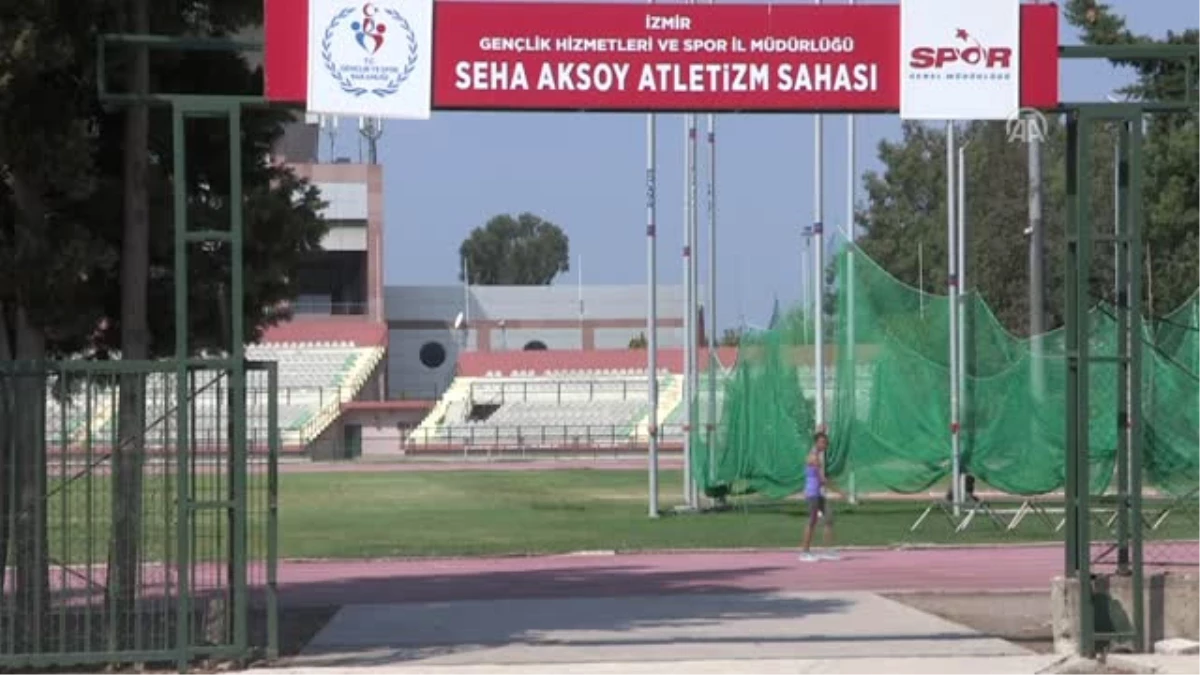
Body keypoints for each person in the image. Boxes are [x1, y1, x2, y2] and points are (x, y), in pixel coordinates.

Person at [799, 430, 838, 562]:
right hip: (812, 494)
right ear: (816, 443)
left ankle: (827, 550)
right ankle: (804, 552)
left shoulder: (817, 456)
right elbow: (822, 479)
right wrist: (841, 492)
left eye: (826, 442)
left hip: (818, 493)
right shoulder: (813, 457)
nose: (825, 445)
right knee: (812, 521)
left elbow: (822, 480)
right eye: (822, 442)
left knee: (829, 517)